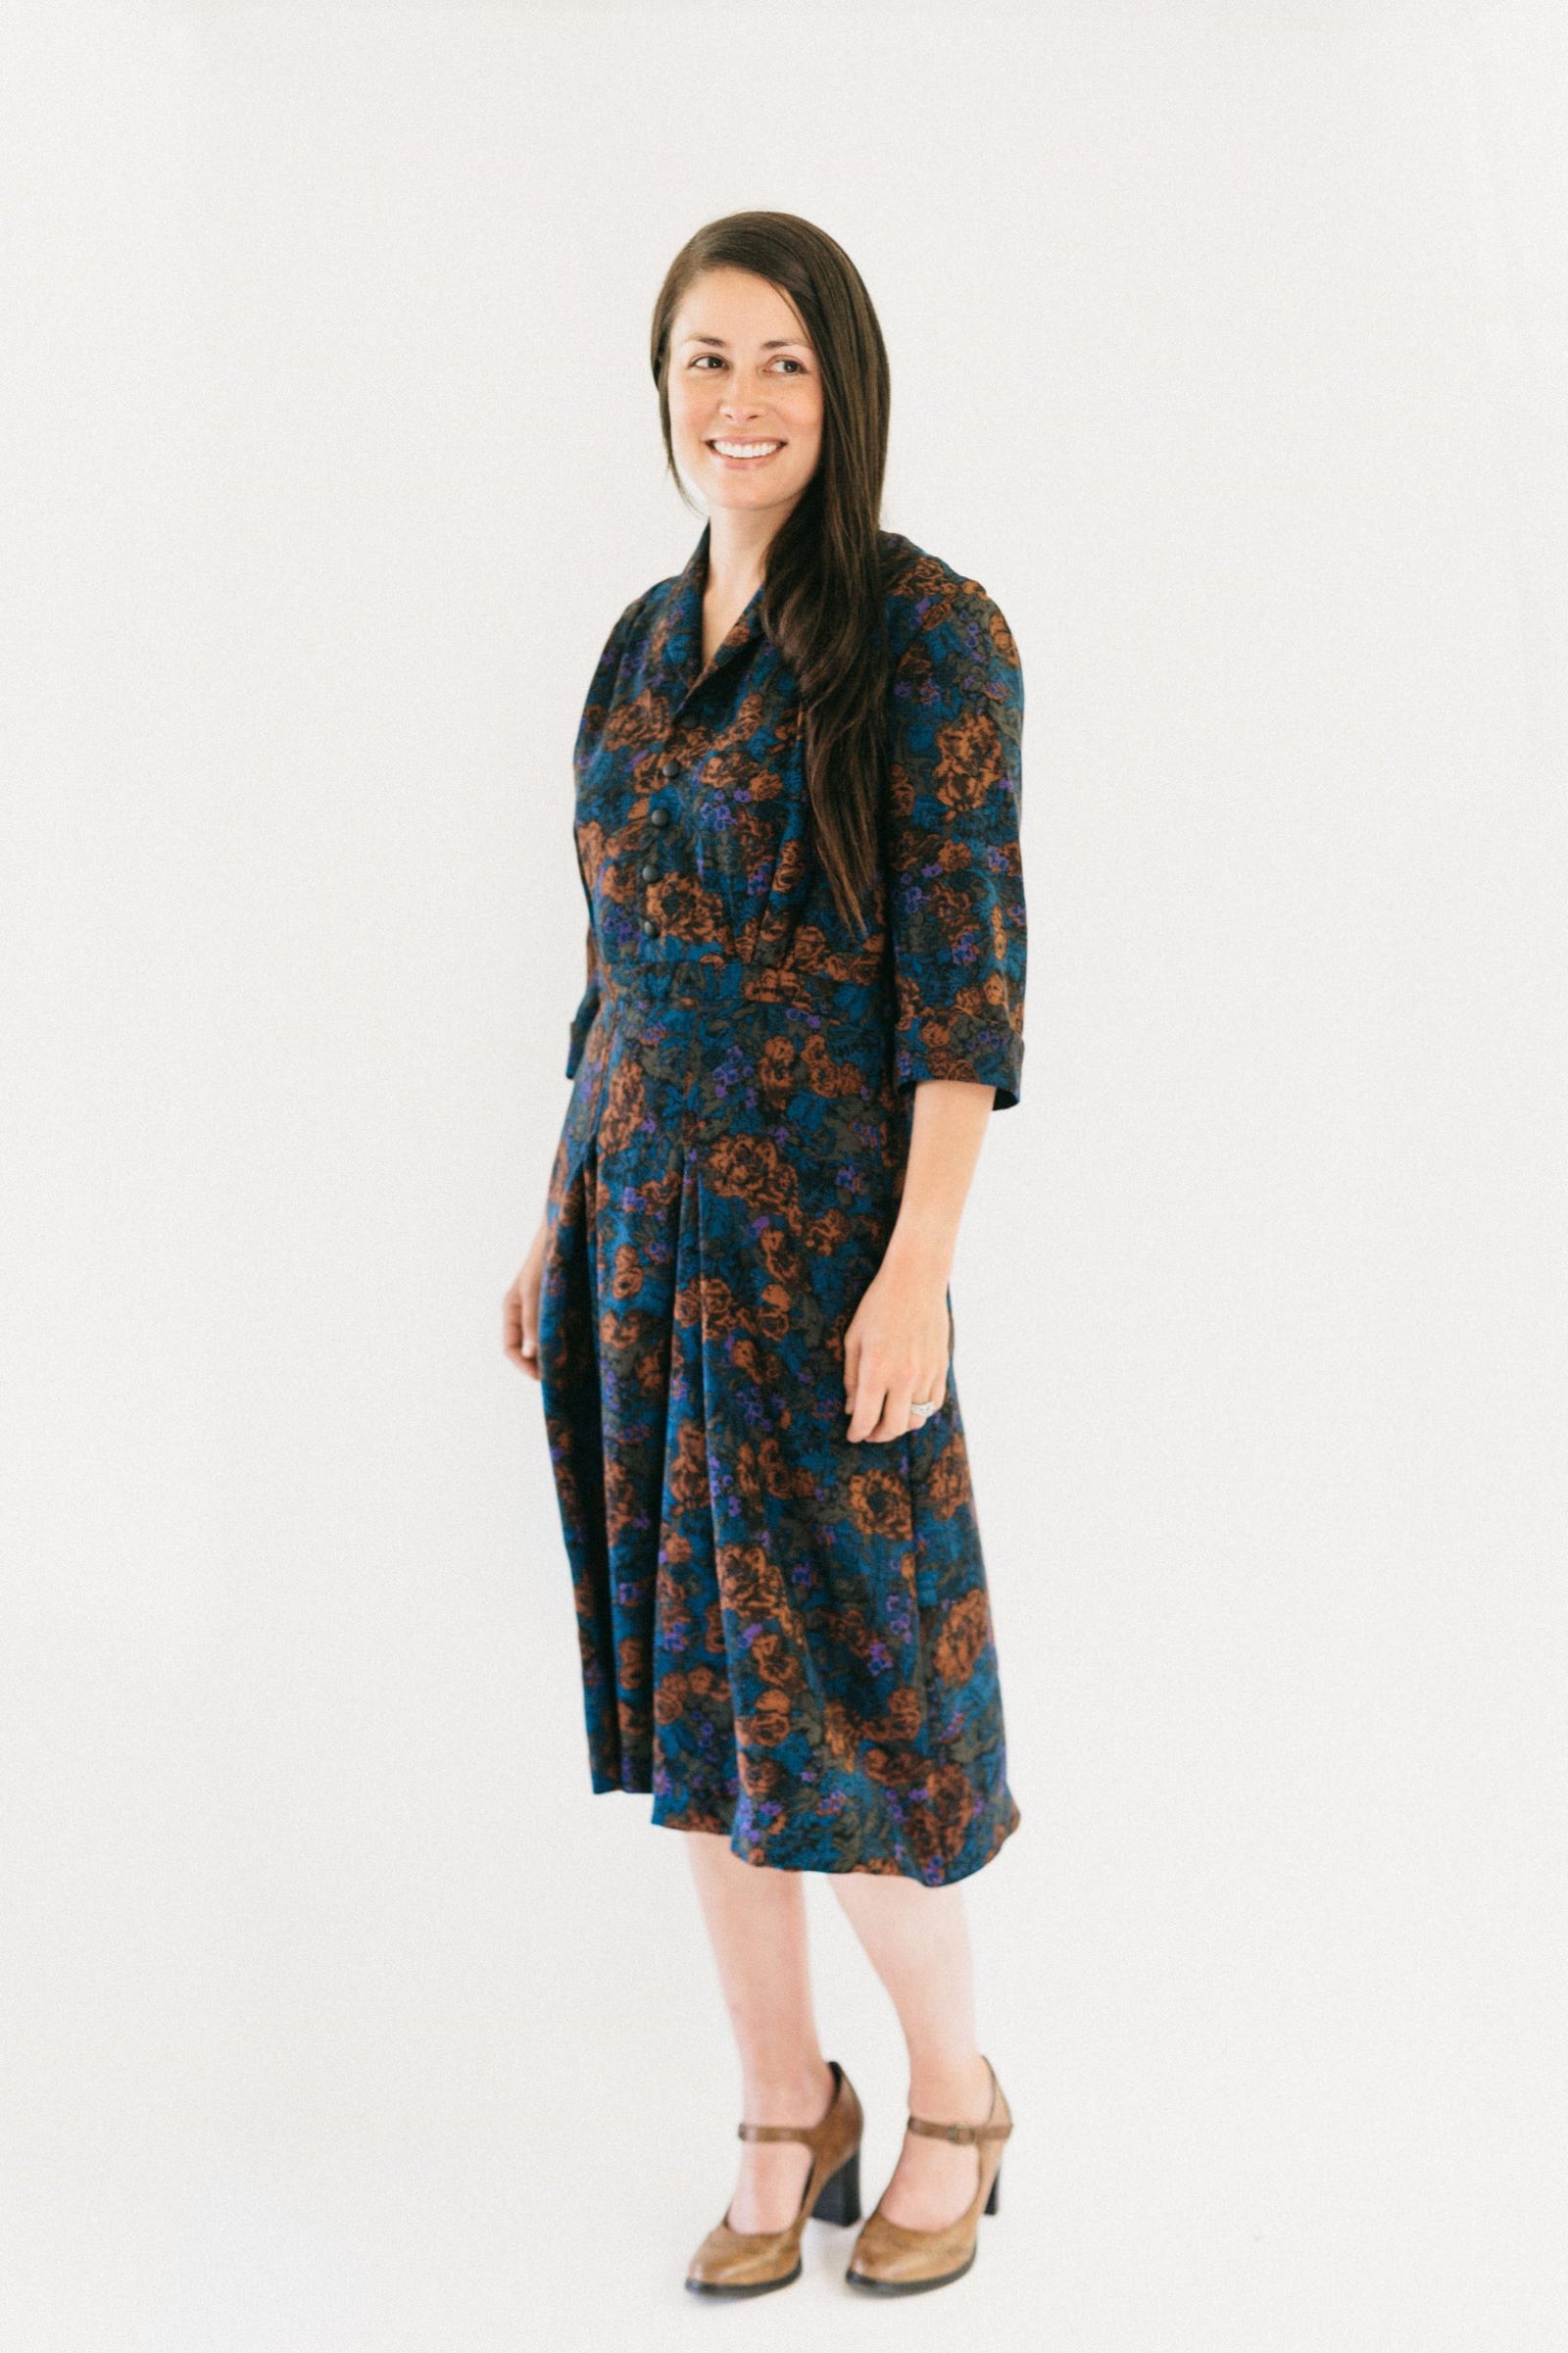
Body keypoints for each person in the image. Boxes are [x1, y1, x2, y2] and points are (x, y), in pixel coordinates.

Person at [503, 211, 1026, 2297]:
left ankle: (959, 2094)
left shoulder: (926, 634)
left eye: (783, 364)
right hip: (638, 1238)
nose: (742, 401)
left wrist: (913, 1272)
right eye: (707, 360)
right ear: (661, 389)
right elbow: (611, 973)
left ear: (845, 389)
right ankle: (776, 2097)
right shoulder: (637, 647)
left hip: (821, 1263)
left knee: (867, 1717)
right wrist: (551, 1213)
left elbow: (961, 998)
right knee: (707, 1729)